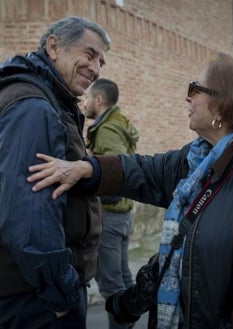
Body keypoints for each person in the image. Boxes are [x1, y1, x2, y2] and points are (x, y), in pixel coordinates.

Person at [27, 52, 233, 329]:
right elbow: (148, 171)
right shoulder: (199, 158)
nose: (188, 97)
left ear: (222, 106)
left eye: (195, 89)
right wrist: (87, 169)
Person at [0, 16, 111, 328]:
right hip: (35, 299)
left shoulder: (46, 100)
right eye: (89, 55)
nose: (96, 69)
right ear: (53, 46)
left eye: (101, 62)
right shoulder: (35, 107)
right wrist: (61, 295)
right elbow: (29, 216)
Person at [84, 78, 139, 329]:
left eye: (87, 98)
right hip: (122, 215)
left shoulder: (106, 129)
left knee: (111, 285)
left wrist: (89, 168)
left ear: (98, 100)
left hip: (111, 215)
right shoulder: (117, 123)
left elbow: (116, 173)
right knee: (123, 279)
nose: (84, 103)